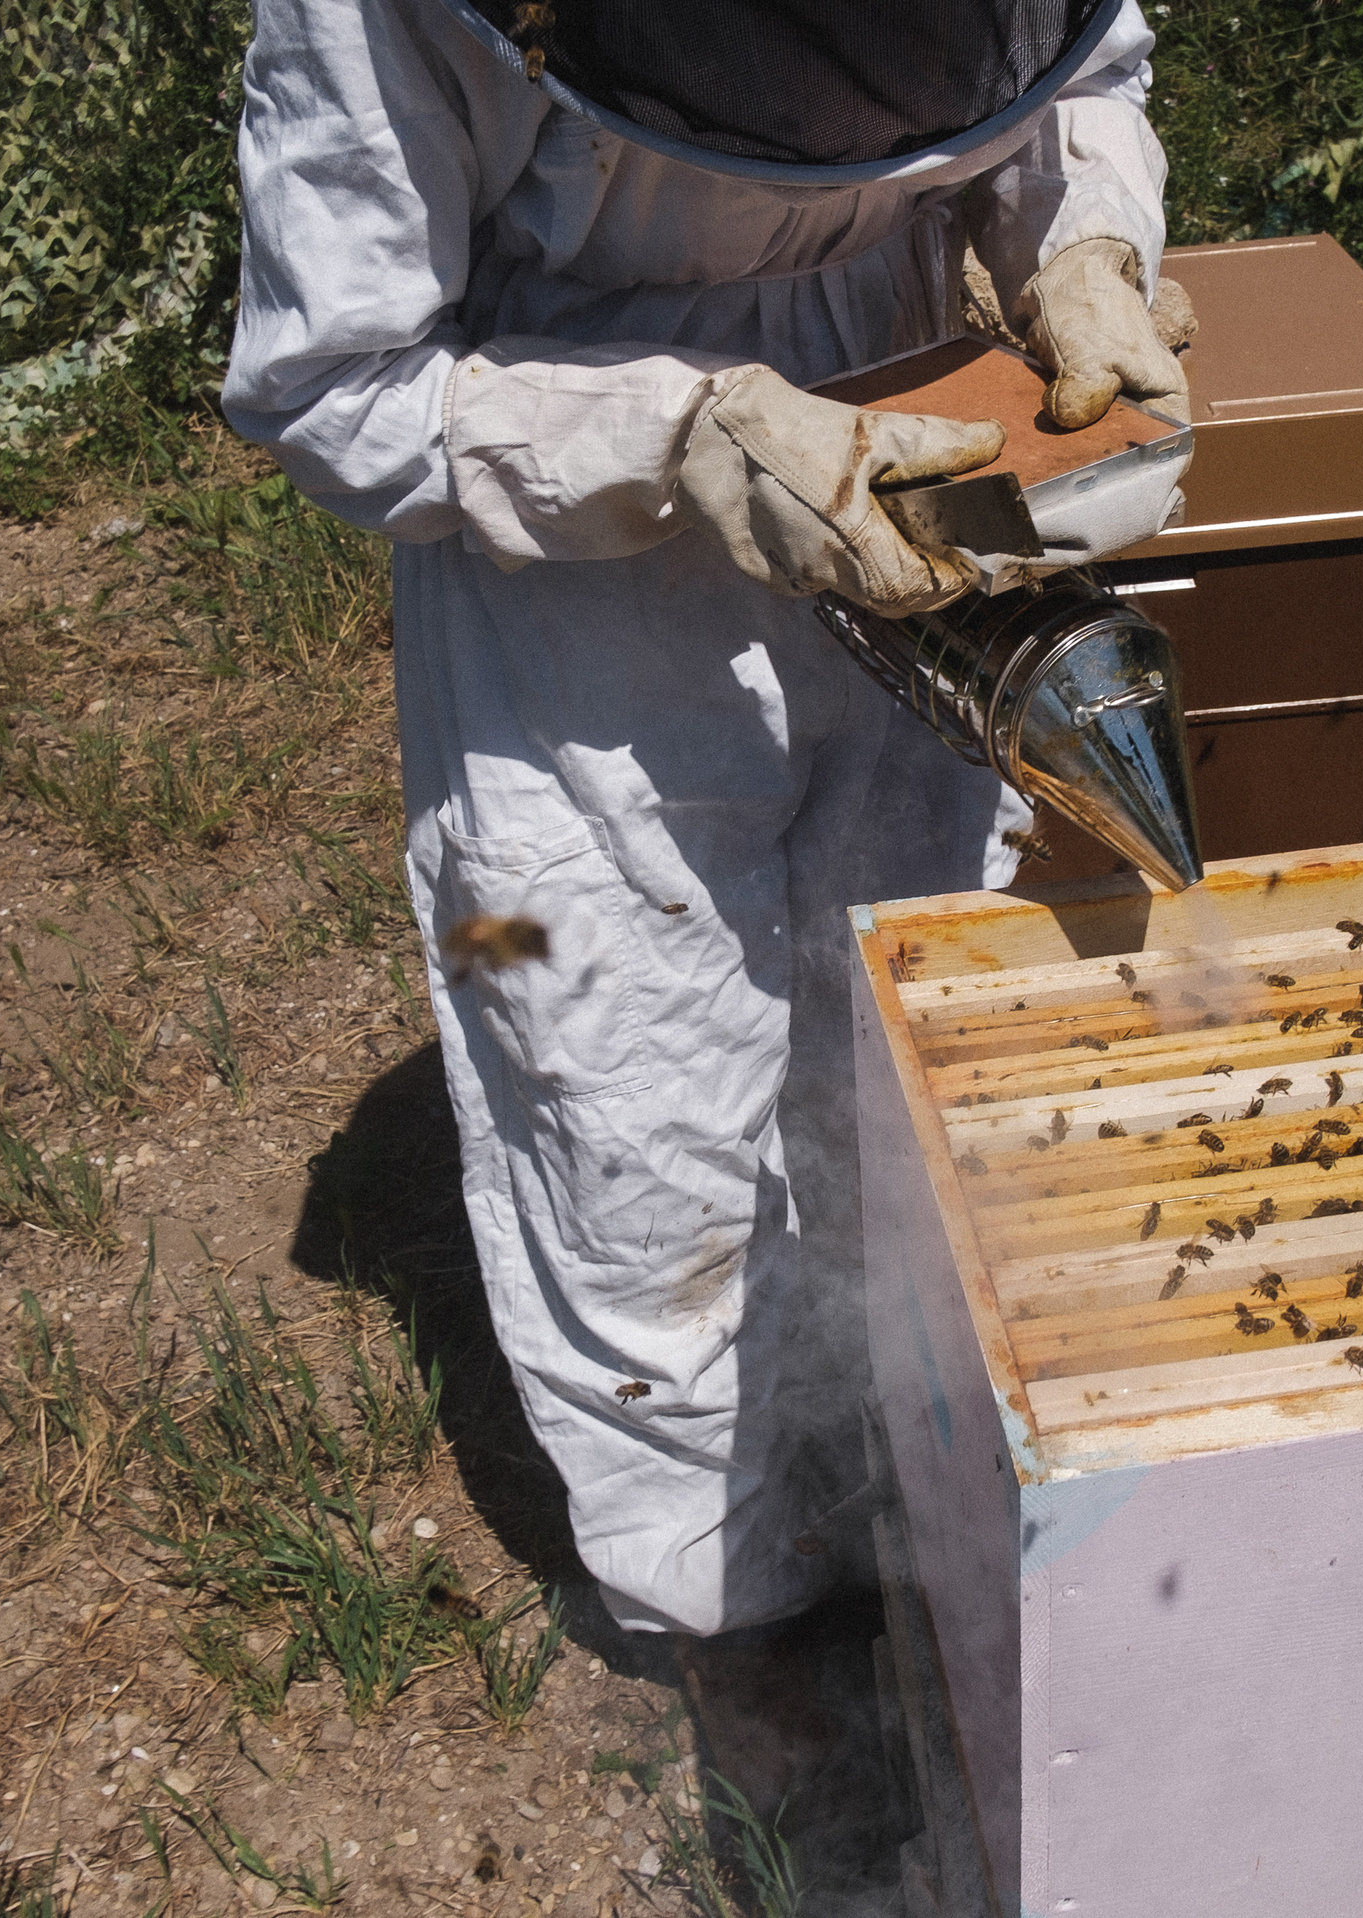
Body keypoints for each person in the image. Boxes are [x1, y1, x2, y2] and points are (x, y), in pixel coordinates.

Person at [223, 0, 1187, 1800]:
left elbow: (1084, 79)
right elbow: (335, 390)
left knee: (903, 1017)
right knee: (638, 1091)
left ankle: (932, 1485)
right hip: (585, 555)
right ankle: (738, 1620)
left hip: (911, 466)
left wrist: (1084, 242)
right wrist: (674, 438)